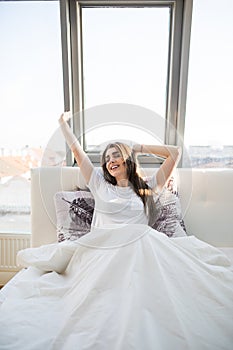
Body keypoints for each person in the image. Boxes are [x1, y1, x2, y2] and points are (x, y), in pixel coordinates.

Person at [59, 111, 181, 228]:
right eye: (107, 159)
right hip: (106, 246)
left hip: (138, 244)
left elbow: (175, 153)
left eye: (116, 155)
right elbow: (77, 151)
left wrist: (138, 148)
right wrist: (62, 123)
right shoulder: (100, 184)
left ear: (128, 159)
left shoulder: (148, 188)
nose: (111, 160)